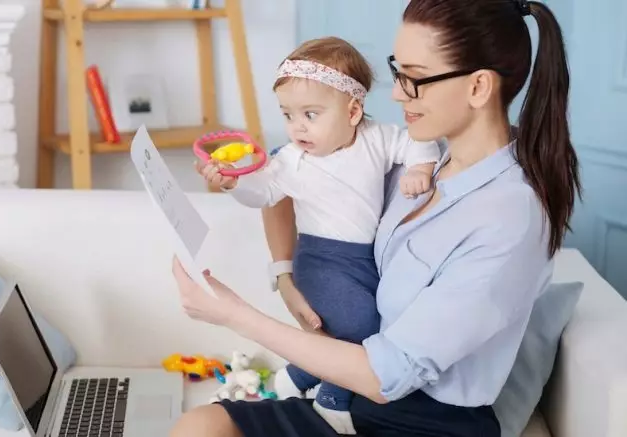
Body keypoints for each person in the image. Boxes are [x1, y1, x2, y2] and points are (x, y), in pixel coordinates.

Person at [172, 0, 581, 435]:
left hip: (424, 420)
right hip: (359, 394)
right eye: (397, 69)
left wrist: (235, 314)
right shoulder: (421, 165)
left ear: (479, 87)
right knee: (200, 427)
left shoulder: (510, 217)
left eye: (415, 78)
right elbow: (291, 179)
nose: (396, 93)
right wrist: (285, 274)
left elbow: (388, 376)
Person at [197, 36, 441, 434]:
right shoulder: (292, 161)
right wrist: (231, 184)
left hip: (365, 260)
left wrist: (419, 169)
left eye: (310, 114)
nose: (297, 128)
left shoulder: (377, 138)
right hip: (319, 259)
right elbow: (263, 192)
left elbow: (418, 143)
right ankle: (331, 398)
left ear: (353, 110)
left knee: (376, 325)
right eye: (288, 115)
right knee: (361, 327)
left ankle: (296, 375)